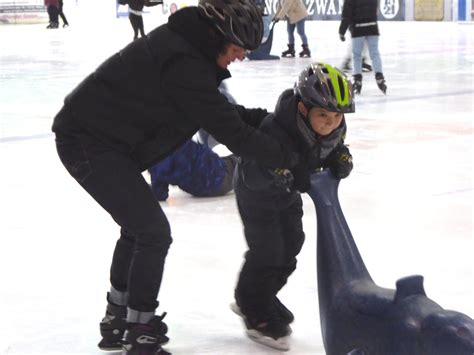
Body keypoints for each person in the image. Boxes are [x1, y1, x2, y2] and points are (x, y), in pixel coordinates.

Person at [51, 0, 301, 354]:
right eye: (236, 49)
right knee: (152, 232)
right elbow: (231, 131)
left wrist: (275, 125)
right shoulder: (184, 64)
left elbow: (225, 113)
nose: (241, 57)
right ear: (217, 36)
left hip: (105, 140)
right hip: (89, 143)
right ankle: (140, 332)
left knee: (138, 230)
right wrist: (291, 156)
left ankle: (118, 320)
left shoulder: (188, 49)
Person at [231, 62, 355, 351]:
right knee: (269, 252)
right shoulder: (276, 132)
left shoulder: (332, 131)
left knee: (292, 246)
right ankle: (252, 306)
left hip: (287, 196)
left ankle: (262, 294)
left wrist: (342, 159)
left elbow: (334, 150)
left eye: (337, 116)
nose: (330, 123)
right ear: (303, 109)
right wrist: (280, 173)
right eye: (323, 115)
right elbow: (251, 170)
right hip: (257, 195)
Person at [339, 0, 387, 94]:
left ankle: (357, 80)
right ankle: (379, 76)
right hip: (372, 26)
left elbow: (347, 14)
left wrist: (342, 31)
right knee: (375, 54)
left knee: (357, 56)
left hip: (358, 28)